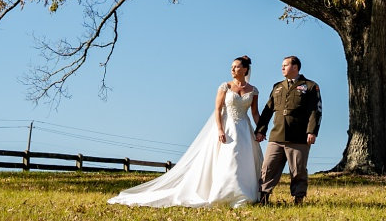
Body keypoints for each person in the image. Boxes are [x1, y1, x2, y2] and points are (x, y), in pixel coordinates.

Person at [107, 56, 264, 208]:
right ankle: (224, 194)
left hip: (244, 128)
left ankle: (243, 196)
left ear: (245, 69)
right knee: (229, 159)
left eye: (236, 67)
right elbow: (217, 109)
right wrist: (220, 129)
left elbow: (255, 113)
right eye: (231, 67)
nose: (232, 69)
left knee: (243, 160)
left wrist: (260, 129)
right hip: (227, 127)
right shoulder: (225, 87)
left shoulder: (253, 90)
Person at [255, 55, 320, 205]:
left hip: (298, 137)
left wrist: (312, 131)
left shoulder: (310, 86)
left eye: (285, 65)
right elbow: (267, 110)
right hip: (277, 136)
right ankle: (263, 198)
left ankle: (298, 199)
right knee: (268, 168)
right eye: (282, 65)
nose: (282, 68)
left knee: (298, 170)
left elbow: (315, 111)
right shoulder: (277, 87)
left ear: (295, 67)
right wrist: (261, 130)